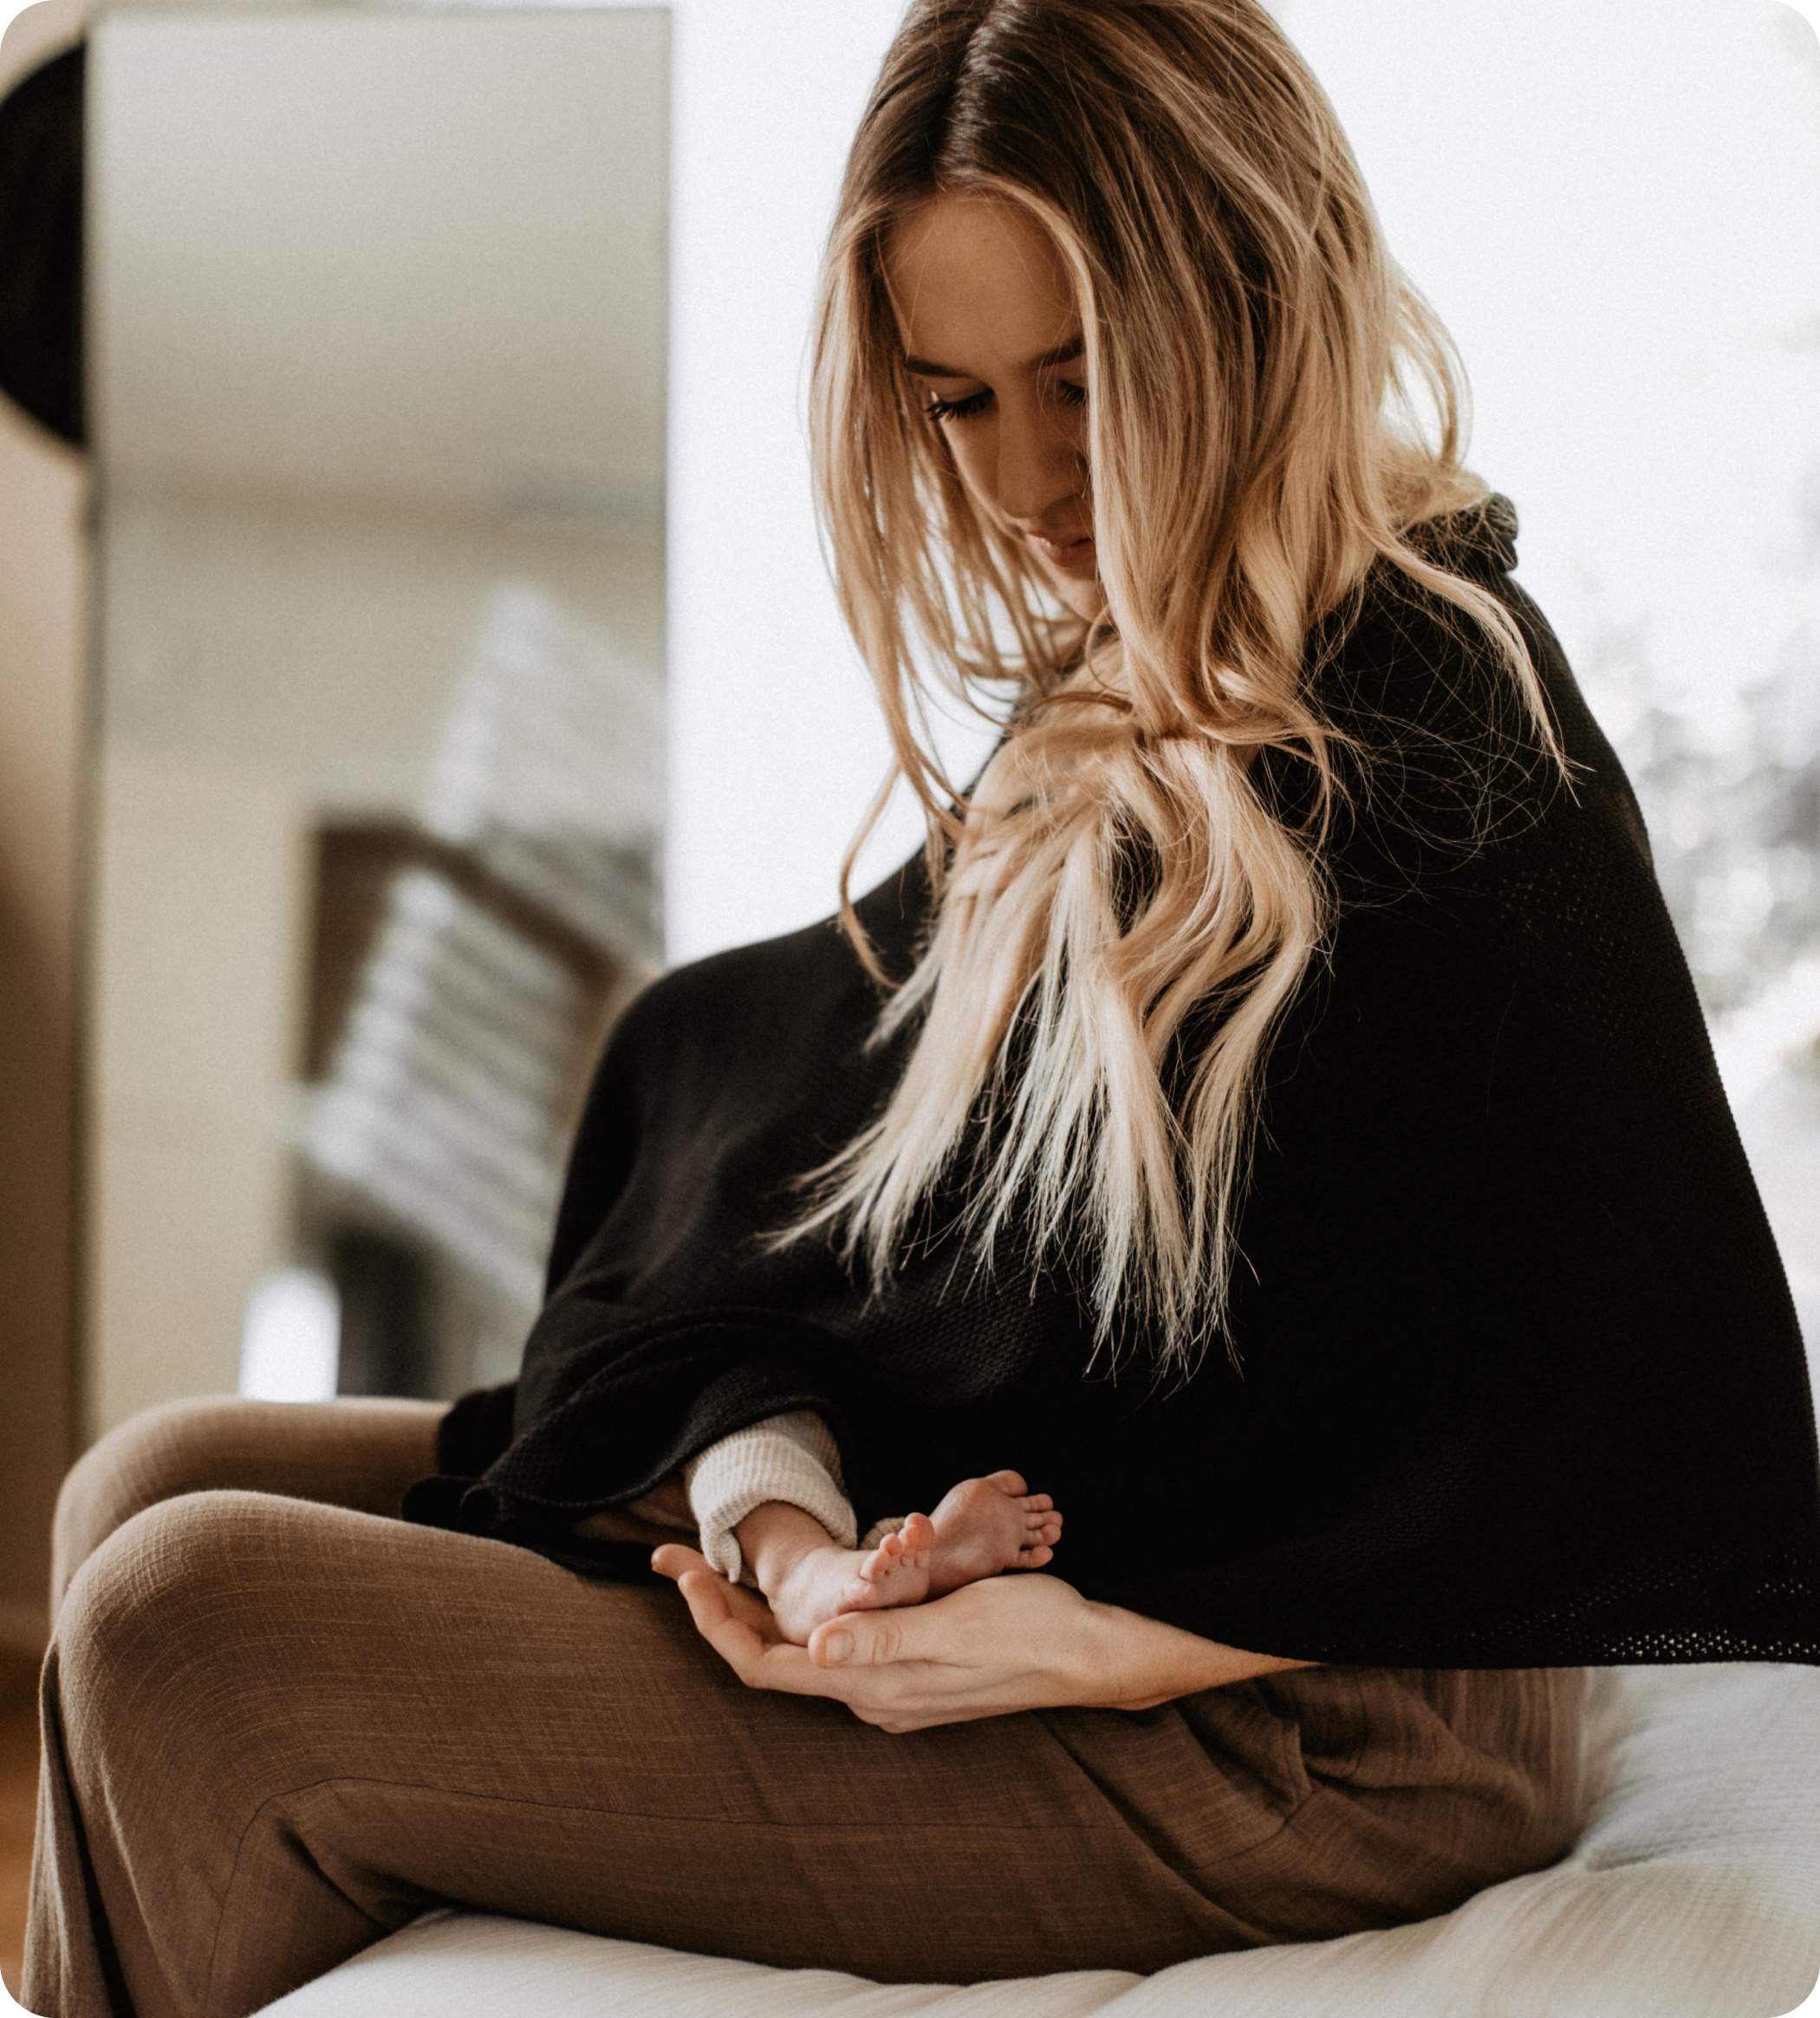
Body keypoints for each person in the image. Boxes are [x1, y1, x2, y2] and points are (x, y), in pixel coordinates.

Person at [25, 2, 1820, 2012]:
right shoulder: (1107, 707)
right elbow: (792, 1162)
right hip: (1092, 1584)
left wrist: (1111, 1638)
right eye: (958, 404)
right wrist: (788, 1528)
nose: (1032, 480)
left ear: (1252, 304)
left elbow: (1610, 1421)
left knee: (191, 1629)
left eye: (1085, 380)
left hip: (1316, 1735)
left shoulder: (1441, 716)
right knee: (150, 1484)